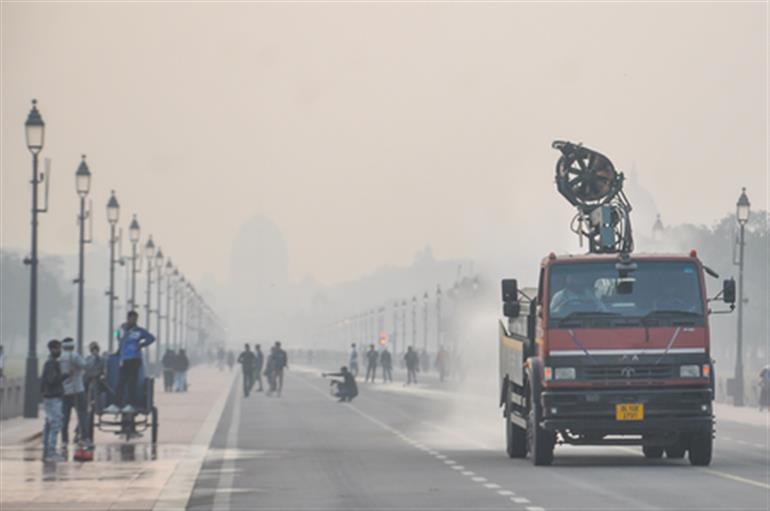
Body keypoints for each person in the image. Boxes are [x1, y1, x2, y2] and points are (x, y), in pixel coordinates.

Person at [107, 311, 155, 414]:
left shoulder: (139, 331)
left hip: (134, 359)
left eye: (136, 319)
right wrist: (117, 333)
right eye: (133, 318)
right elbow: (117, 336)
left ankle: (131, 404)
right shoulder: (121, 329)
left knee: (132, 383)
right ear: (128, 318)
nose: (134, 321)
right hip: (123, 359)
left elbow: (151, 338)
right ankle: (117, 404)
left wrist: (141, 345)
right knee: (121, 382)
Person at [40, 339, 67, 462]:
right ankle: (51, 452)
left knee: (49, 424)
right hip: (53, 397)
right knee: (55, 424)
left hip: (49, 397)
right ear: (52, 349)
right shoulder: (51, 363)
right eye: (58, 348)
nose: (60, 351)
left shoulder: (51, 362)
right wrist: (65, 375)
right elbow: (52, 380)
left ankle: (47, 450)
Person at [59, 337, 87, 448]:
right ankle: (83, 438)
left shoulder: (60, 357)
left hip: (64, 390)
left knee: (64, 417)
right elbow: (84, 365)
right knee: (82, 415)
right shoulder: (75, 356)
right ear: (73, 346)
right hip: (77, 390)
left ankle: (64, 440)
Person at [84, 342, 106, 443]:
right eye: (93, 350)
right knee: (87, 410)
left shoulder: (101, 360)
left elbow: (104, 371)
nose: (95, 351)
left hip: (98, 383)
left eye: (96, 349)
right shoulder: (88, 359)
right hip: (90, 383)